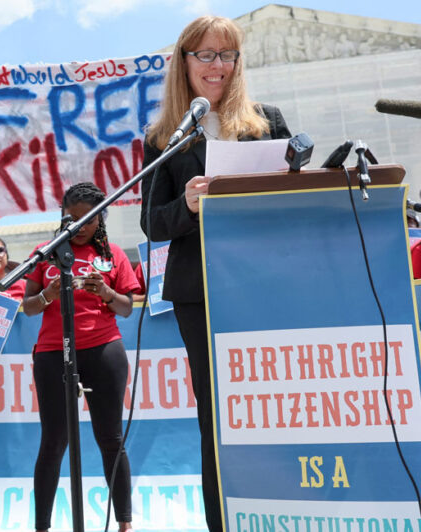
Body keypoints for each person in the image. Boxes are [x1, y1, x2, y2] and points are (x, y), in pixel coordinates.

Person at [138, 16, 291, 532]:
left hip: (268, 285)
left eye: (226, 55)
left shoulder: (266, 121)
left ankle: (285, 512)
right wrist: (187, 204)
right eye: (205, 55)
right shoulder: (162, 137)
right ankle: (223, 522)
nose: (217, 66)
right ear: (184, 61)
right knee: (219, 417)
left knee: (277, 406)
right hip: (199, 292)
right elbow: (152, 223)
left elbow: (297, 195)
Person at [22, 183, 140, 532]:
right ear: (63, 216)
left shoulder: (113, 254)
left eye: (87, 218)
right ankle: (42, 526)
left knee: (110, 439)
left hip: (104, 350)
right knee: (54, 440)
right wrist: (47, 294)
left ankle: (124, 523)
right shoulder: (45, 253)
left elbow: (127, 308)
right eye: (73, 217)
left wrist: (105, 291)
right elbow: (28, 307)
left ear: (100, 217)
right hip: (53, 352)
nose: (80, 225)